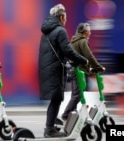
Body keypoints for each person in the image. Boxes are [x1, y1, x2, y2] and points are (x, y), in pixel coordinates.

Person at [38, 4, 88, 138]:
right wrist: (83, 60)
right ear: (61, 17)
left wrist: (68, 60)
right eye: (65, 17)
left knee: (55, 98)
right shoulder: (60, 30)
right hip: (54, 69)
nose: (65, 20)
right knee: (56, 99)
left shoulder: (47, 31)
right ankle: (49, 129)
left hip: (46, 68)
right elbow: (67, 50)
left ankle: (52, 123)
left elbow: (58, 50)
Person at [61, 23, 106, 122]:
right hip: (77, 71)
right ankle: (66, 115)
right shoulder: (82, 41)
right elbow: (89, 56)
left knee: (76, 94)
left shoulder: (74, 41)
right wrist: (98, 67)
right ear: (85, 32)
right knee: (77, 95)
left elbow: (80, 57)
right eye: (89, 31)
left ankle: (72, 114)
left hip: (76, 70)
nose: (90, 32)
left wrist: (88, 69)